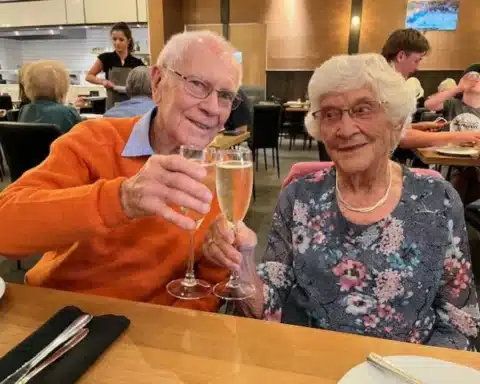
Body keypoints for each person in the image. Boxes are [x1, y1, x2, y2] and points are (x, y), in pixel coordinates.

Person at [204, 54, 480, 350]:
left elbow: (459, 321)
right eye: (331, 114)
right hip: (311, 365)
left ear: (395, 119)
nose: (345, 129)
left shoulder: (436, 200)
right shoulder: (299, 197)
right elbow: (267, 305)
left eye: (363, 110)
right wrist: (242, 261)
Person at [0, 30, 242, 311]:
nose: (213, 108)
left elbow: (208, 286)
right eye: (198, 85)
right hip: (61, 312)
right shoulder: (94, 140)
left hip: (152, 330)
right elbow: (5, 228)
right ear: (158, 82)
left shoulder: (222, 176)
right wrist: (122, 199)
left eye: (225, 95)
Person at [382, 28, 480, 148]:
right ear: (401, 56)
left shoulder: (386, 79)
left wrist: (420, 126)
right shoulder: (385, 86)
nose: (417, 68)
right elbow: (400, 137)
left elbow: (391, 129)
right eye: (416, 61)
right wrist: (457, 137)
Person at [425, 64, 480, 204]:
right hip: (450, 161)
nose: (475, 80)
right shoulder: (453, 104)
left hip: (475, 162)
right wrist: (458, 88)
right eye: (471, 77)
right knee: (460, 177)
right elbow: (429, 105)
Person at [18, 60, 82, 133]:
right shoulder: (69, 112)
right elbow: (83, 136)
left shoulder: (24, 110)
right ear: (63, 87)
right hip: (59, 144)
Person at [86, 22, 144, 89]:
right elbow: (89, 76)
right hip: (112, 98)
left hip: (131, 99)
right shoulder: (105, 58)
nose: (117, 43)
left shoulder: (137, 63)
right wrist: (103, 81)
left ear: (128, 41)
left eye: (121, 40)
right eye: (114, 39)